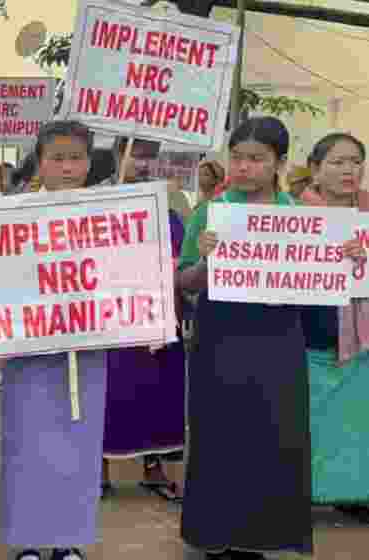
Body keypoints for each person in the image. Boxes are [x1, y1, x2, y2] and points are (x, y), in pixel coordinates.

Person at [177, 117, 364, 559]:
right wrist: (205, 262)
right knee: (218, 437)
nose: (244, 167)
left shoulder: (303, 218)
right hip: (219, 340)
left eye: (256, 159)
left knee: (273, 439)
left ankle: (259, 539)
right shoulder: (210, 213)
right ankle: (214, 536)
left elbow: (325, 288)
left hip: (279, 341)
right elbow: (183, 282)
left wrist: (350, 259)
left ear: (279, 163)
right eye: (237, 157)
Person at [0, 121, 107, 560]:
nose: (67, 167)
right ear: (39, 162)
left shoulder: (110, 213)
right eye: (57, 158)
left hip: (86, 348)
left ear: (89, 162)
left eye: (76, 157)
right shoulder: (12, 214)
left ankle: (68, 541)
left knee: (79, 447)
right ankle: (26, 540)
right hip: (28, 351)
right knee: (27, 447)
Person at [100, 137, 187, 502]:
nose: (143, 163)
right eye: (136, 155)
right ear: (118, 155)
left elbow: (180, 255)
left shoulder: (166, 206)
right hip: (110, 316)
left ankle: (154, 469)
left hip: (157, 314)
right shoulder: (96, 203)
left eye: (150, 157)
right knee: (110, 394)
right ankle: (100, 471)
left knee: (158, 392)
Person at [296, 133, 369, 521]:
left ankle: (356, 494)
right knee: (311, 420)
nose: (348, 170)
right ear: (315, 168)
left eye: (356, 162)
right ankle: (302, 493)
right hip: (307, 334)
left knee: (355, 422)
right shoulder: (291, 217)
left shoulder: (367, 213)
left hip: (361, 339)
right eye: (338, 162)